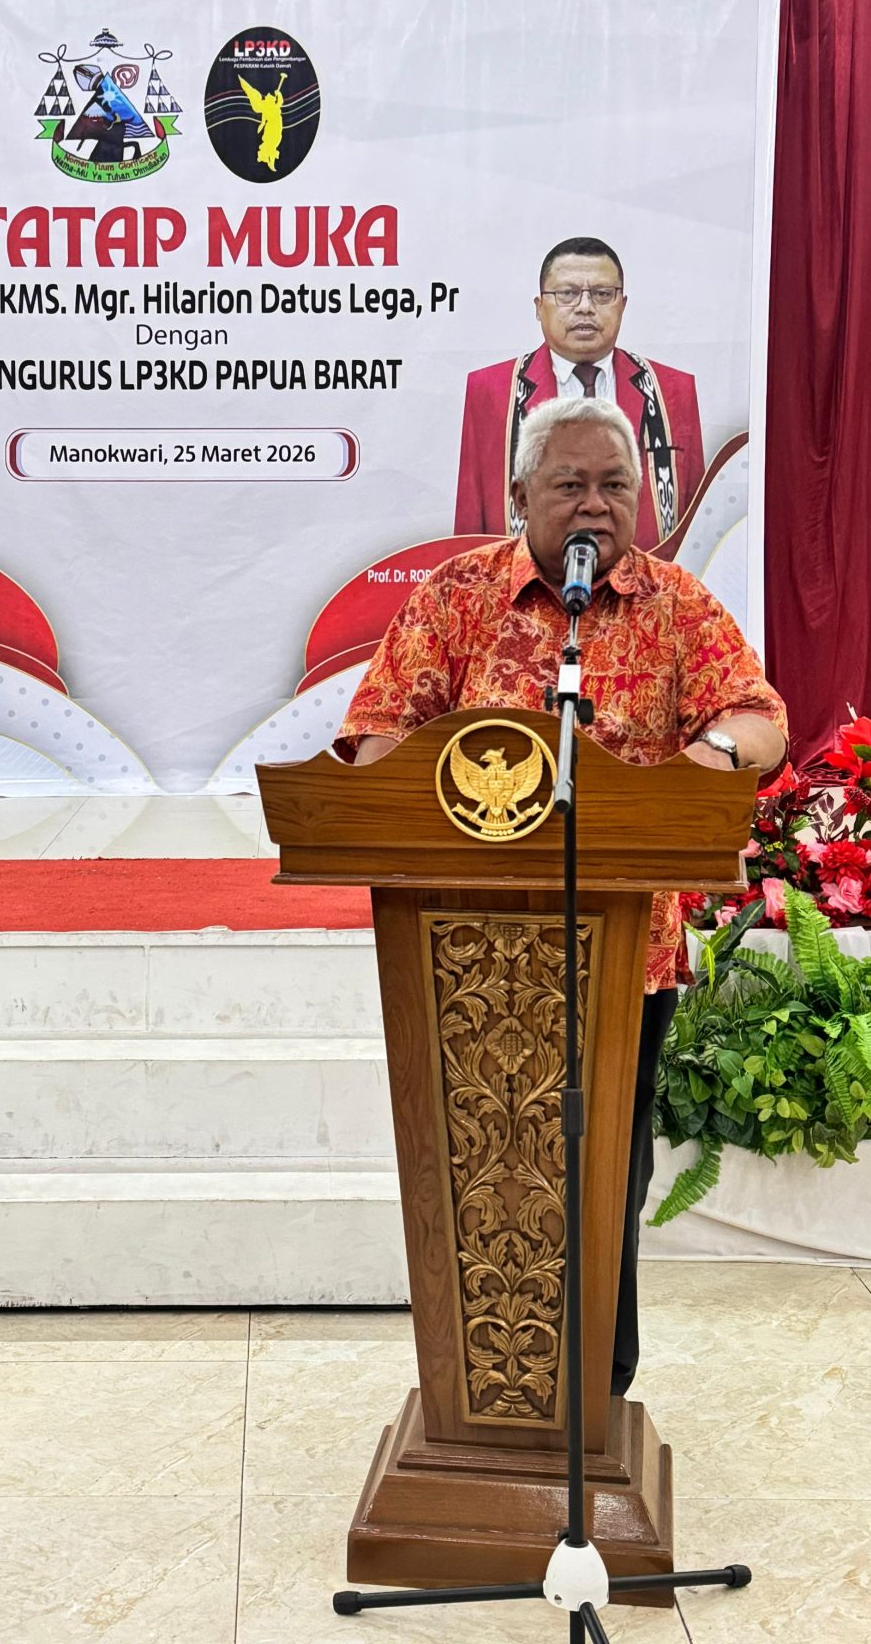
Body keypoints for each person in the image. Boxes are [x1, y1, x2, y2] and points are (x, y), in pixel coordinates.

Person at [337, 396, 787, 1394]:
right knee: (481, 1166)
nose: (595, 505)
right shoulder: (457, 596)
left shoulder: (676, 604)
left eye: (615, 485)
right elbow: (377, 735)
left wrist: (712, 753)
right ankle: (483, 1400)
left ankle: (592, 1394)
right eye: (570, 484)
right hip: (470, 952)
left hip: (629, 953)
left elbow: (759, 717)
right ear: (519, 494)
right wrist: (413, 787)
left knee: (603, 1171)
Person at [454, 237, 705, 551]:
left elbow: (697, 532)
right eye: (567, 294)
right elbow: (469, 534)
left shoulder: (672, 391)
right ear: (539, 307)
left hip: (644, 578)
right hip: (528, 578)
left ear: (622, 305)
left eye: (602, 294)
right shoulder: (492, 390)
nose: (585, 307)